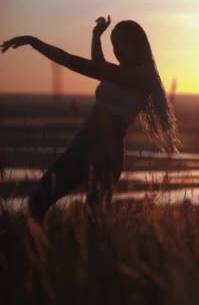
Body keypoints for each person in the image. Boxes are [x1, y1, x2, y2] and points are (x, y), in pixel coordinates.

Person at [1, 16, 179, 223]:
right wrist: (96, 36)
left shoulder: (140, 77)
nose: (117, 50)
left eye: (122, 43)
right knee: (37, 203)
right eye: (115, 45)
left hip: (106, 156)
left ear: (137, 45)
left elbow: (81, 64)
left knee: (93, 220)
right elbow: (98, 66)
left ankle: (79, 254)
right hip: (82, 147)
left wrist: (35, 42)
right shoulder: (121, 73)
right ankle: (42, 252)